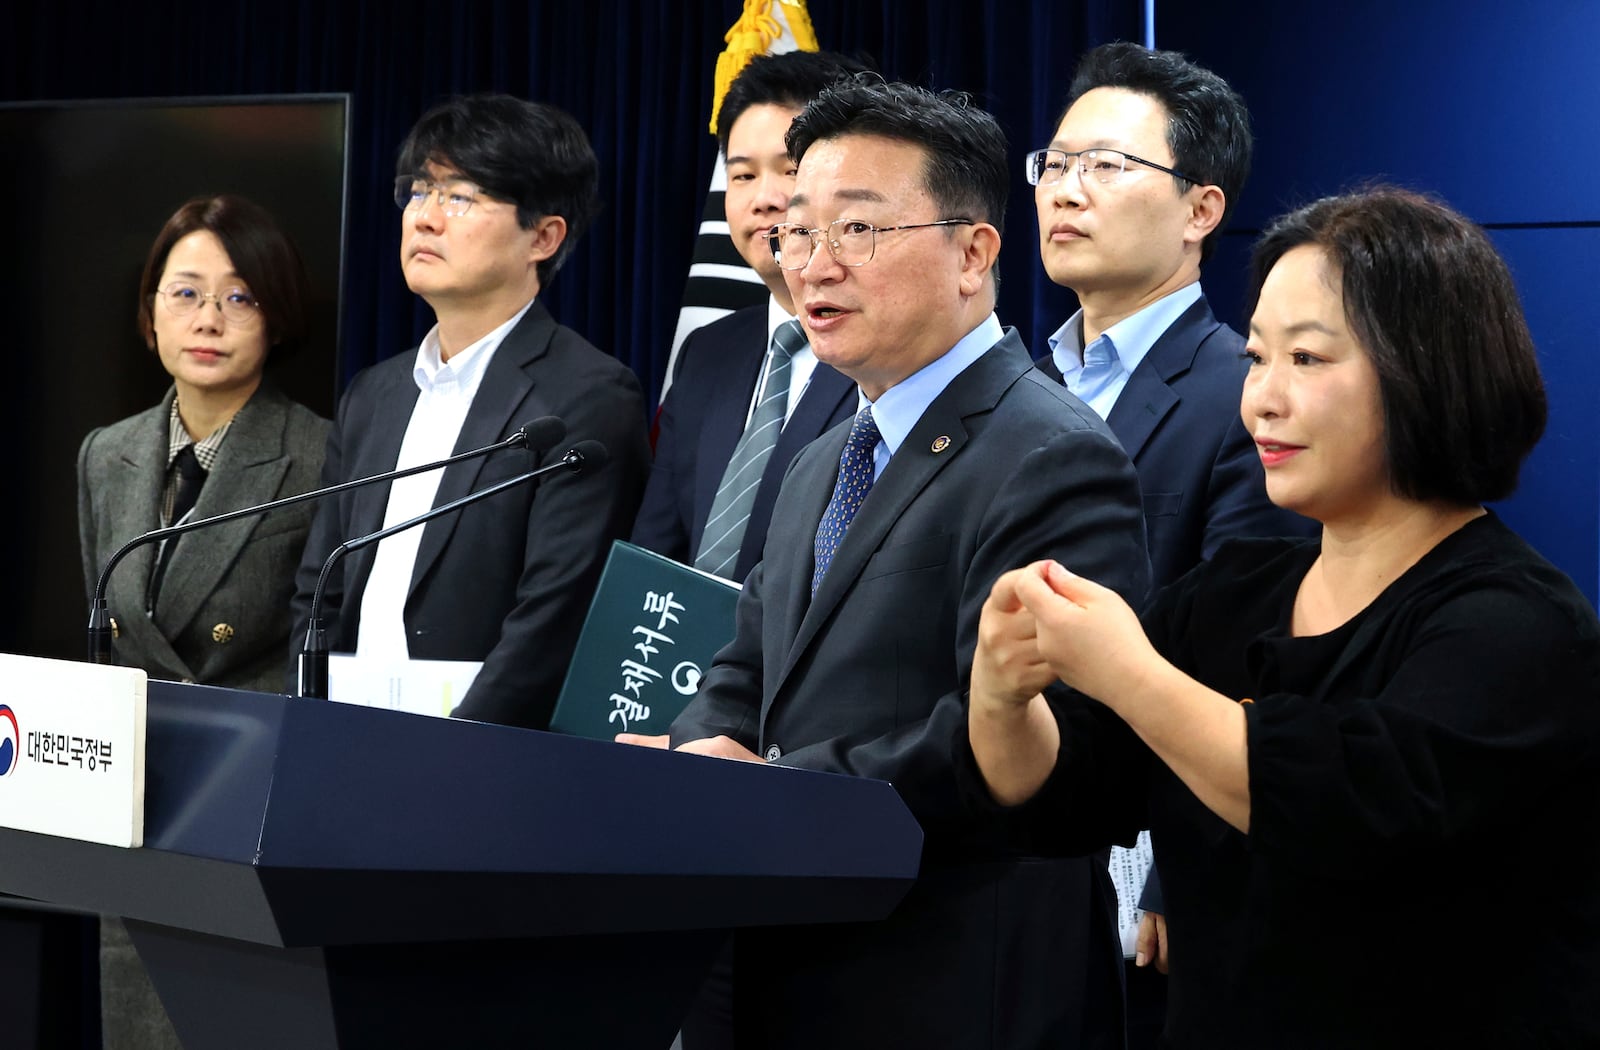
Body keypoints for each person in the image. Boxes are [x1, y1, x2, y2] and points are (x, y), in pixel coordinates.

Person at [967, 187, 1600, 1046]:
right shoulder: (1231, 594)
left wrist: (1127, 671)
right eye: (1256, 359)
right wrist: (1005, 693)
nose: (1262, 398)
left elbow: (1340, 810)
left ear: (1428, 368)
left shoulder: (1520, 624)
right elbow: (1063, 797)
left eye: (1306, 360)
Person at [649, 79, 1150, 1049]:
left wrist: (777, 784)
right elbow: (745, 670)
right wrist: (696, 763)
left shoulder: (1050, 453)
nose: (813, 265)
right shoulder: (816, 459)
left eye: (859, 231)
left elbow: (1047, 746)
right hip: (795, 957)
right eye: (798, 233)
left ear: (973, 252)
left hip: (954, 974)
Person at [1026, 42, 1314, 1039]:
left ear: (1200, 210)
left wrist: (1171, 870)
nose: (1065, 192)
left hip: (1140, 856)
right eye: (1053, 165)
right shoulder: (1020, 387)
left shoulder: (1247, 394)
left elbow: (1252, 657)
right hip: (1009, 828)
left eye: (1104, 167)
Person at [289, 94, 649, 730]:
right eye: (419, 191)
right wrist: (312, 723)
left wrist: (453, 751)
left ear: (543, 235)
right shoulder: (374, 394)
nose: (425, 218)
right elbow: (319, 589)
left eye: (460, 197)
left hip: (482, 759)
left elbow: (552, 619)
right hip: (342, 742)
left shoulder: (587, 397)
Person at [77, 193, 329, 1050]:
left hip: (253, 803)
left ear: (277, 312)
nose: (208, 319)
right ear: (149, 310)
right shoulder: (105, 452)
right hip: (141, 801)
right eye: (184, 292)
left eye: (240, 295)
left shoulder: (323, 452)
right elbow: (106, 635)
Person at [631, 50, 867, 582]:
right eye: (741, 176)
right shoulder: (709, 352)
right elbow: (655, 551)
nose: (764, 199)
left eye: (790, 168)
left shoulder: (891, 352)